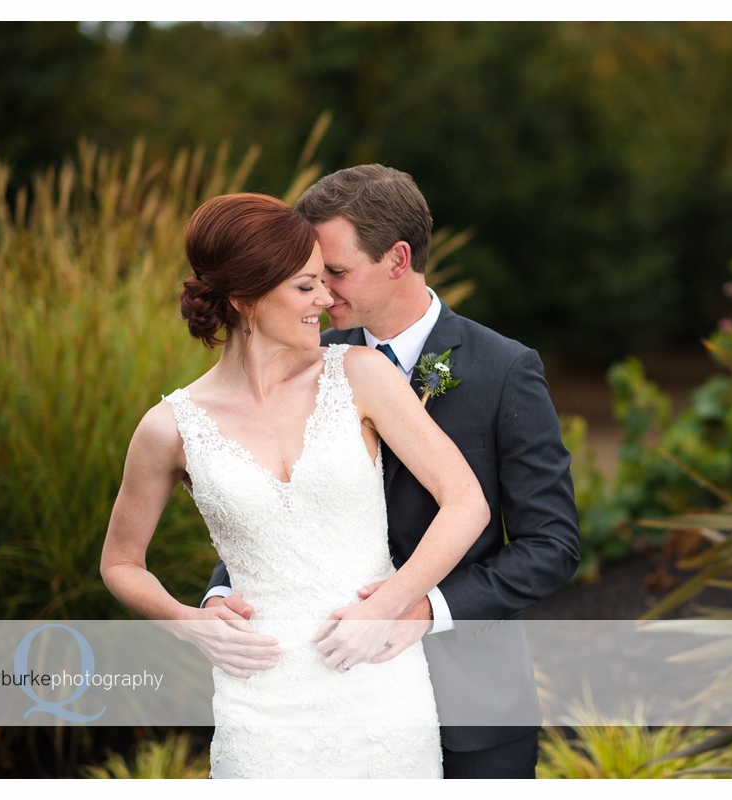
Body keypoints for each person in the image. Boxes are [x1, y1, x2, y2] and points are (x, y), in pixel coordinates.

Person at [200, 165, 582, 778]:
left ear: (398, 258)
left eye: (337, 272)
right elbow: (277, 502)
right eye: (310, 275)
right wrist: (225, 592)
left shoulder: (504, 369)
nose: (320, 291)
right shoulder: (309, 365)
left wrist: (425, 607)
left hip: (471, 702)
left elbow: (552, 545)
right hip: (332, 695)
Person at [100, 192, 490, 778]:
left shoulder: (361, 375)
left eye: (324, 282)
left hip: (380, 687)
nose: (327, 299)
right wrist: (187, 623)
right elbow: (121, 563)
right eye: (306, 287)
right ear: (245, 301)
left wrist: (387, 606)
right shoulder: (169, 428)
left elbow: (466, 503)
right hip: (259, 698)